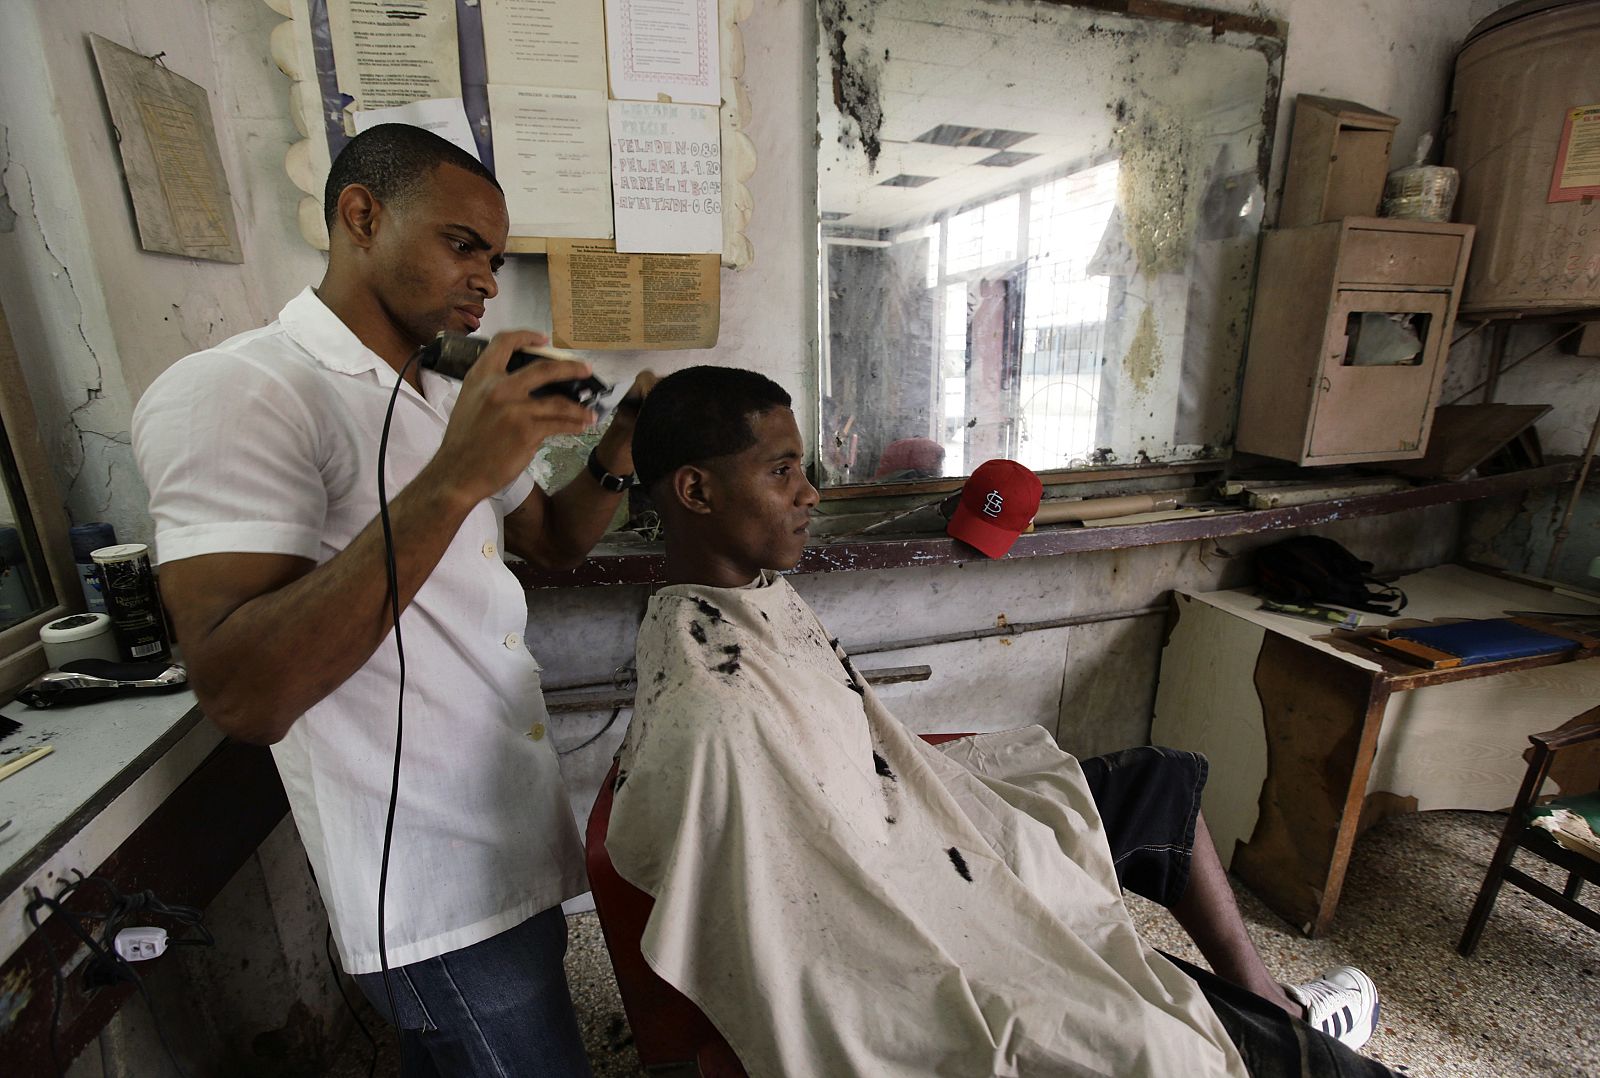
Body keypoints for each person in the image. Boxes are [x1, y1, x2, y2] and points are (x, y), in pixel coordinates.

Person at [606, 365, 1397, 1077]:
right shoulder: (715, 696)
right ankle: (1289, 1032)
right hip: (895, 881)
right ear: (696, 492)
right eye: (782, 472)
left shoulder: (751, 596)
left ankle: (1269, 999)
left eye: (804, 468)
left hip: (910, 822)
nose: (810, 492)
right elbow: (811, 916)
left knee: (1151, 791)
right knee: (1145, 1018)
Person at [132, 124, 650, 1076]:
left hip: (503, 837)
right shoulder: (238, 391)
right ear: (360, 216)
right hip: (426, 886)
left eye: (494, 260)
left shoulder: (427, 399)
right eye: (462, 245)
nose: (488, 280)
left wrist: (625, 441)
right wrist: (455, 476)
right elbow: (244, 693)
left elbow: (550, 539)